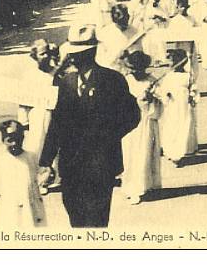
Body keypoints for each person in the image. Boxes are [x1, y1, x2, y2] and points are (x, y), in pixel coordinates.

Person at [39, 24, 140, 227]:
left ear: (92, 51)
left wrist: (108, 136)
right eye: (73, 53)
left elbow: (132, 115)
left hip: (100, 163)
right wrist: (46, 160)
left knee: (97, 220)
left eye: (80, 53)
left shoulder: (112, 80)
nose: (74, 58)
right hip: (70, 164)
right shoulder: (65, 83)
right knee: (75, 217)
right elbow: (56, 123)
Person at [0, 120, 47, 228]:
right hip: (9, 206)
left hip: (30, 206)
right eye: (10, 140)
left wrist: (48, 172)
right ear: (3, 141)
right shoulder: (1, 161)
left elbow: (41, 172)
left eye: (17, 139)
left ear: (23, 138)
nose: (14, 143)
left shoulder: (31, 157)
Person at [121, 51, 162, 204]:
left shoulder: (152, 81)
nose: (132, 71)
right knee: (130, 156)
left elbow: (160, 105)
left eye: (135, 68)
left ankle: (144, 186)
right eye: (130, 68)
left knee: (144, 154)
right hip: (129, 123)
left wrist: (151, 100)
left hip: (146, 122)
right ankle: (131, 188)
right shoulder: (125, 81)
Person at [156, 49, 198, 166]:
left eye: (174, 62)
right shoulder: (168, 76)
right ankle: (171, 151)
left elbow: (193, 88)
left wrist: (192, 96)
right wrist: (166, 94)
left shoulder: (188, 76)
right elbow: (163, 90)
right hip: (171, 105)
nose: (171, 64)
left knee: (183, 126)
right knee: (171, 127)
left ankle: (180, 153)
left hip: (184, 106)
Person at [96, 4, 143, 71]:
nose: (125, 23)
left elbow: (139, 50)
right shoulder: (105, 33)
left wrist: (131, 53)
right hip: (111, 70)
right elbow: (100, 59)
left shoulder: (134, 31)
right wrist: (117, 56)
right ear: (115, 20)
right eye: (122, 21)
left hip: (131, 69)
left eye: (126, 19)